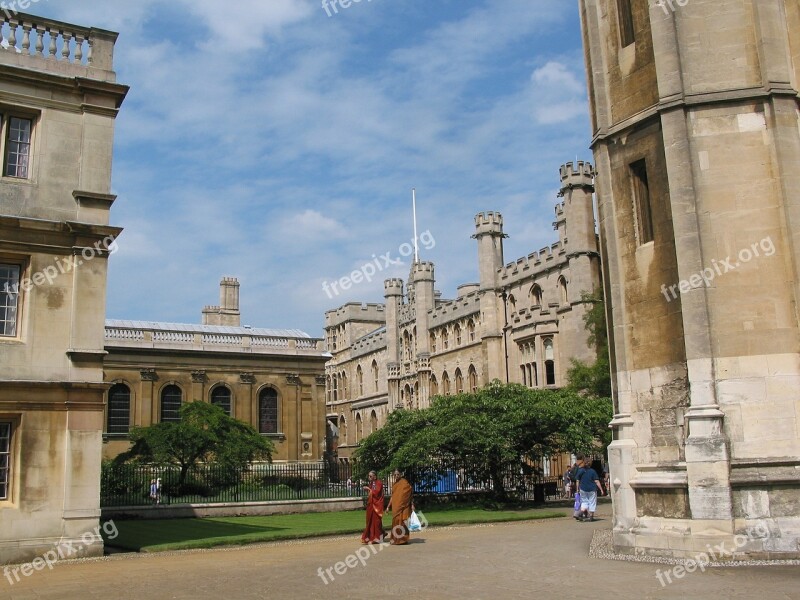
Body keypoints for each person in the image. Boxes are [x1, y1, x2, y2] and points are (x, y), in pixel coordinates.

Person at [386, 469, 414, 545]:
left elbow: (409, 495)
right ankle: (395, 539)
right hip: (396, 506)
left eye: (398, 474)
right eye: (395, 475)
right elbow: (393, 496)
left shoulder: (404, 483)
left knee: (403, 522)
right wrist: (388, 506)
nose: (396, 476)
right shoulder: (394, 485)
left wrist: (412, 504)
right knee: (396, 521)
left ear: (401, 474)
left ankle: (403, 539)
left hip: (404, 506)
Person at [575, 454, 603, 521]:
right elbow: (596, 481)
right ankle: (591, 516)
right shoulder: (592, 471)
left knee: (584, 501)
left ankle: (581, 512)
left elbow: (577, 481)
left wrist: (577, 489)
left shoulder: (580, 470)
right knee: (592, 502)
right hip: (592, 489)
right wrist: (601, 489)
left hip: (583, 489)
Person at [361, 471, 385, 544]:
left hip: (377, 505)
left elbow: (376, 493)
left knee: (376, 522)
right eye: (369, 476)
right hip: (371, 505)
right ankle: (372, 536)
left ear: (375, 476)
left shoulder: (378, 483)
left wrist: (368, 489)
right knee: (370, 521)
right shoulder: (371, 483)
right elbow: (371, 493)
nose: (369, 478)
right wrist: (368, 490)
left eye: (370, 476)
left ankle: (377, 537)